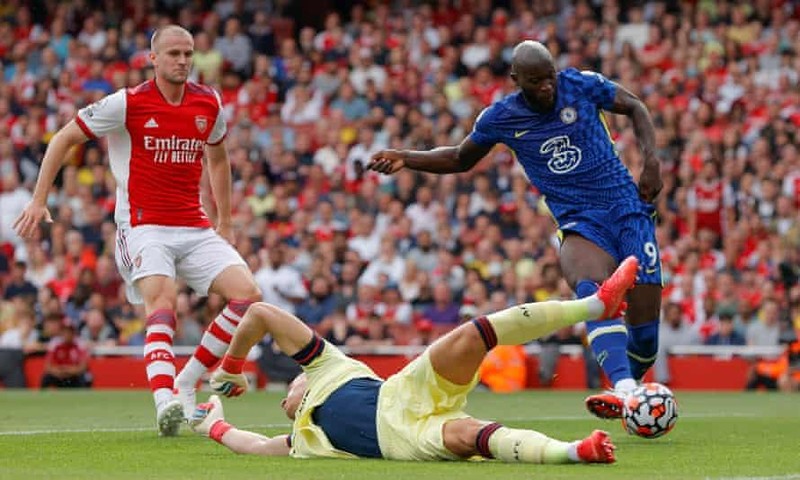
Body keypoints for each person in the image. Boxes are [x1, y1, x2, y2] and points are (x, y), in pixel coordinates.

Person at [368, 40, 663, 419]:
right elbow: (460, 158)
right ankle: (624, 389)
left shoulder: (581, 85)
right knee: (593, 291)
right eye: (536, 81)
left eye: (549, 78)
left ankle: (631, 382)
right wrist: (407, 158)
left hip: (626, 208)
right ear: (516, 79)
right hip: (579, 220)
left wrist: (652, 160)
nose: (546, 87)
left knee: (646, 339)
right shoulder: (501, 117)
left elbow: (635, 105)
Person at [13, 25, 261, 435]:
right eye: (174, 54)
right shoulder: (126, 103)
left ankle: (186, 382)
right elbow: (63, 138)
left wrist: (226, 221)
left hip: (194, 224)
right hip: (144, 225)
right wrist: (39, 200)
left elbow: (218, 160)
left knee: (247, 295)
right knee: (163, 304)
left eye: (188, 53)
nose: (182, 60)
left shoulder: (209, 102)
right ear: (154, 59)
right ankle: (166, 402)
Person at [190, 257, 639, 463]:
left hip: (401, 390)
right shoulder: (302, 438)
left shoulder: (328, 364)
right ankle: (576, 453)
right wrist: (214, 424)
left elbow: (260, 313)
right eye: (285, 407)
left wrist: (231, 367)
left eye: (287, 394)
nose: (286, 403)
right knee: (470, 434)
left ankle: (594, 307)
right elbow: (252, 445)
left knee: (469, 335)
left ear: (298, 382)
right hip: (401, 439)